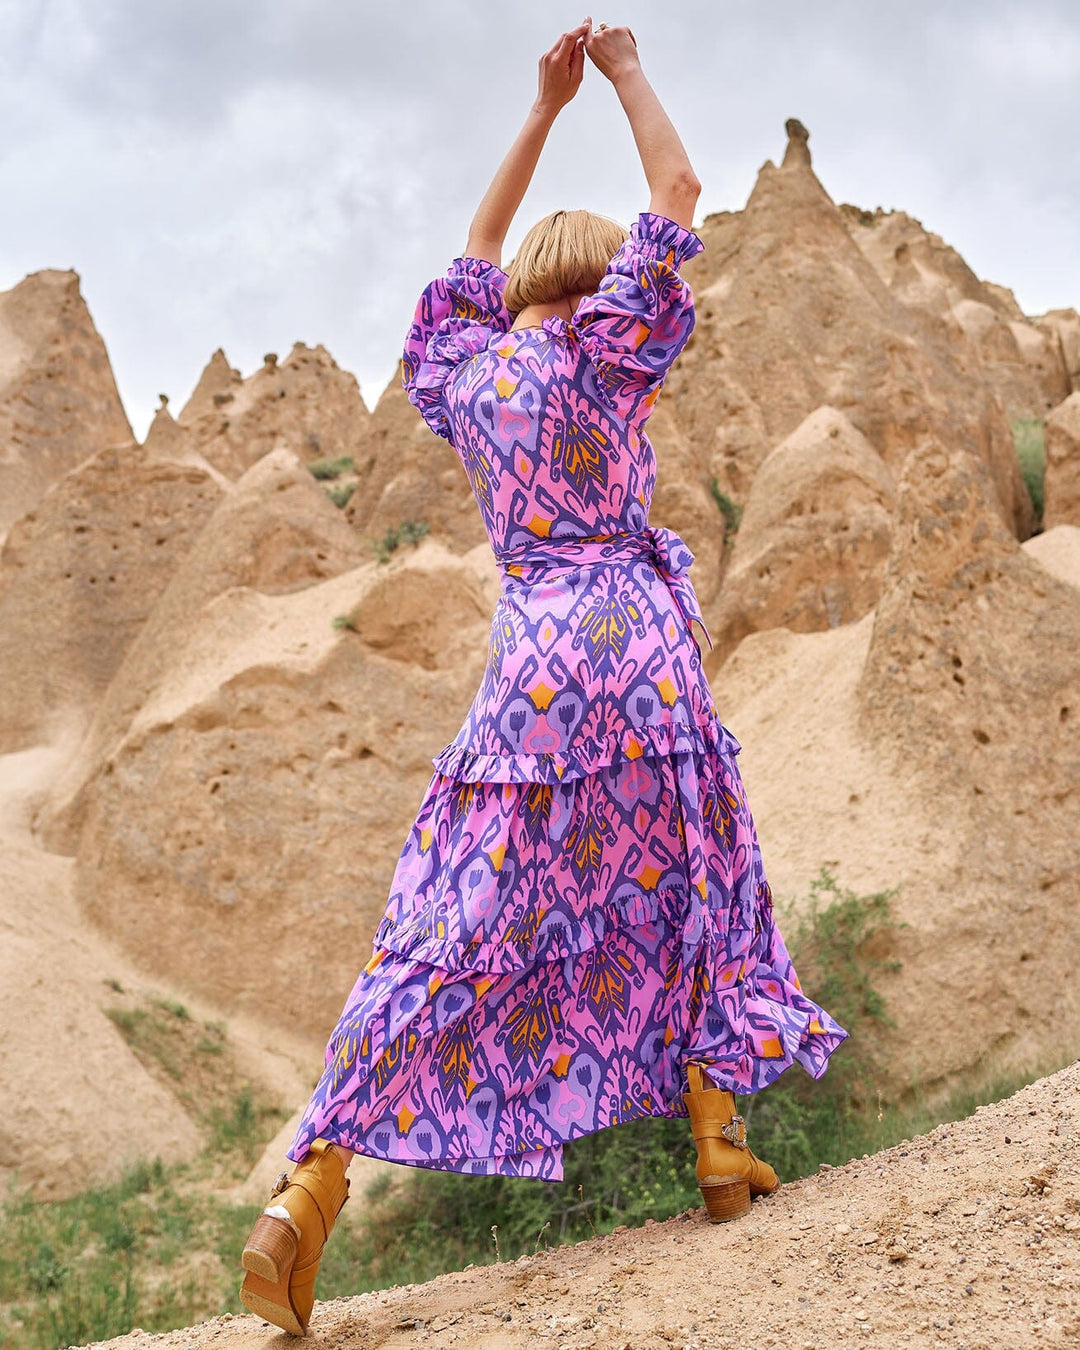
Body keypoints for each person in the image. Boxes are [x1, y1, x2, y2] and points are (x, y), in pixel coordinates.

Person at [239, 18, 847, 1337]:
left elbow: (466, 258)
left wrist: (537, 112)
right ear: (596, 281)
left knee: (453, 916)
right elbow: (678, 196)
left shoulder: (469, 371)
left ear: (518, 288)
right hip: (640, 640)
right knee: (694, 865)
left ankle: (311, 1185)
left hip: (533, 662)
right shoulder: (607, 347)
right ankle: (721, 1143)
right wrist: (624, 76)